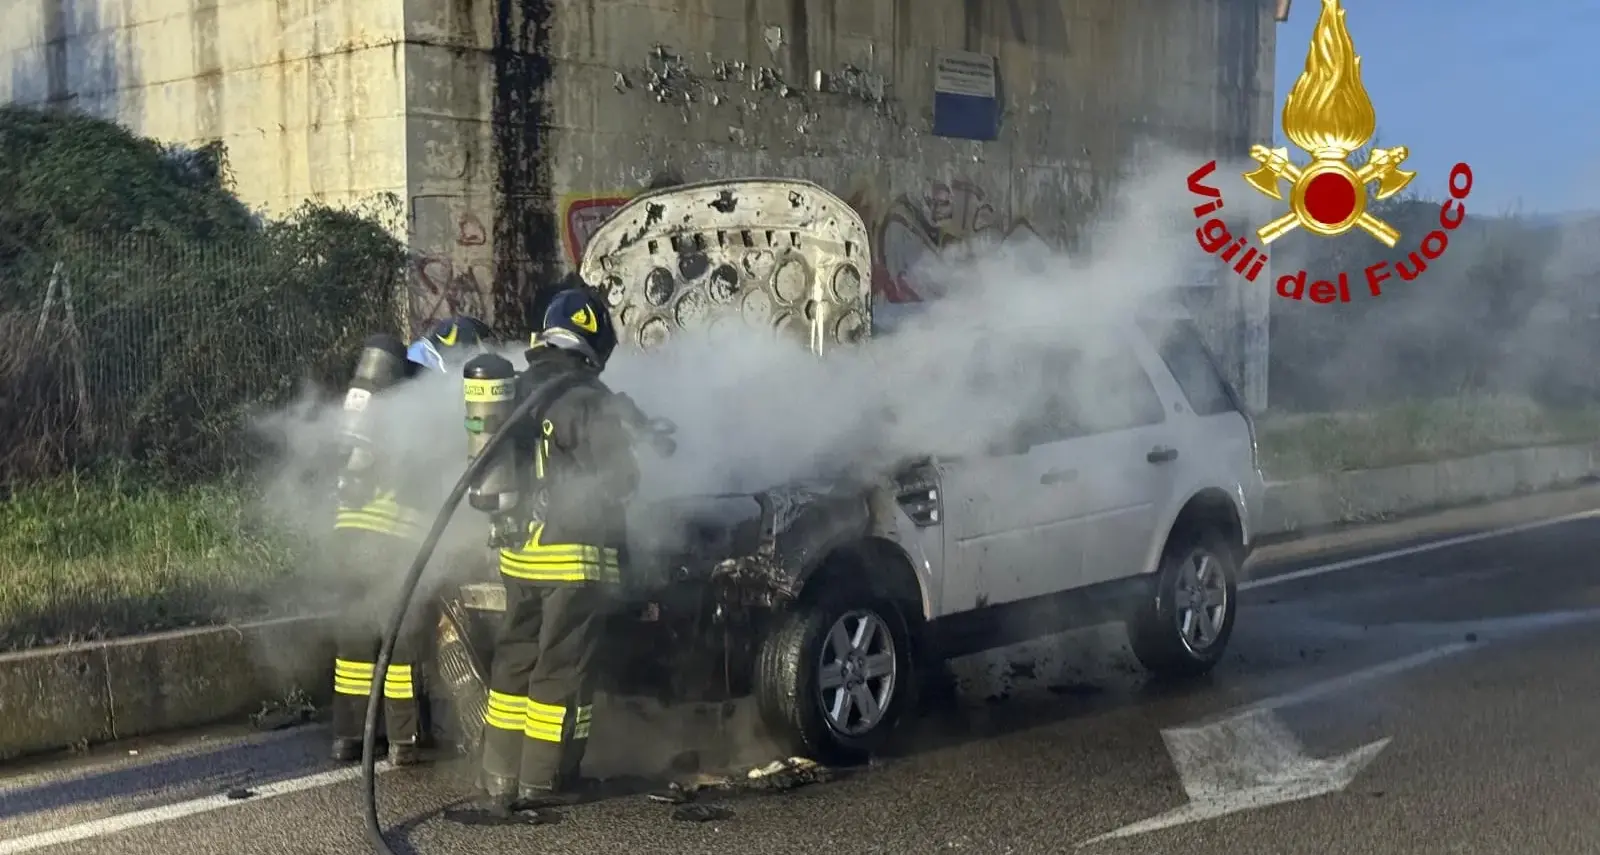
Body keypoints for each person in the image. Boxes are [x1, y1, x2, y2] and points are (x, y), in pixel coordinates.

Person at [477, 287, 640, 810]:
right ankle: (543, 781)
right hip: (573, 557)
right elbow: (620, 480)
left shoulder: (517, 389)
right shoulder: (589, 398)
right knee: (559, 670)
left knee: (514, 663)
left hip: (519, 553)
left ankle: (499, 774)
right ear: (593, 343)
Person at [330, 315, 493, 766]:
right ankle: (405, 741)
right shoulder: (432, 402)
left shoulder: (383, 394)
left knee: (354, 642)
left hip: (347, 531)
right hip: (391, 538)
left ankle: (349, 737)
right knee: (399, 640)